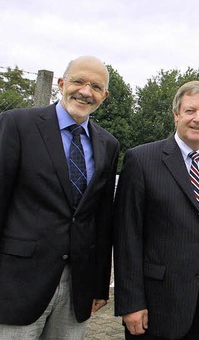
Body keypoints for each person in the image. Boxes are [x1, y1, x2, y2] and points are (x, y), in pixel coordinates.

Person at [0, 55, 119, 339]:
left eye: (95, 86)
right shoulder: (17, 125)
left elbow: (102, 221)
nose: (85, 92)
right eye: (78, 81)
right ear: (62, 83)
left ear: (105, 95)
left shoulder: (108, 144)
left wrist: (99, 286)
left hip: (76, 288)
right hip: (16, 283)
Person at [114, 81, 199, 340]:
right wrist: (131, 303)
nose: (198, 119)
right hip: (157, 307)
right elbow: (127, 237)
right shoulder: (141, 160)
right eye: (190, 111)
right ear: (176, 115)